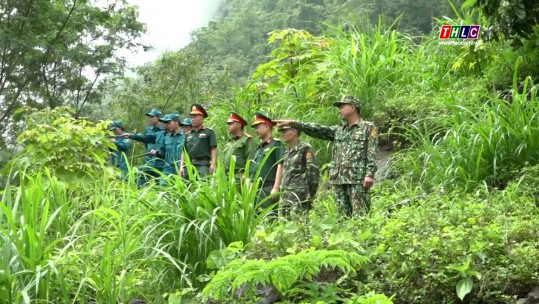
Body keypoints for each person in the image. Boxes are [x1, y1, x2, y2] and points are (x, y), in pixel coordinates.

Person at [274, 95, 378, 217]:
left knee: (361, 216)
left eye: (342, 106)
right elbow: (317, 129)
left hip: (357, 179)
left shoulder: (368, 127)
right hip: (338, 180)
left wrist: (369, 174)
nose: (339, 110)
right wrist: (295, 123)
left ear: (353, 107)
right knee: (342, 218)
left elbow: (371, 152)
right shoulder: (338, 130)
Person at [278, 125, 319, 215]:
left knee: (300, 226)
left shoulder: (304, 148)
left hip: (299, 198)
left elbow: (313, 173)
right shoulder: (286, 153)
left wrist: (310, 196)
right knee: (285, 227)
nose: (282, 134)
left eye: (284, 131)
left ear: (294, 132)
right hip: (285, 200)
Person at [249, 113, 284, 212]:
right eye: (254, 128)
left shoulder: (276, 144)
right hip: (256, 190)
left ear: (267, 126)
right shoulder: (259, 148)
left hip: (268, 188)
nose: (255, 130)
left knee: (268, 218)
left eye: (257, 127)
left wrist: (276, 188)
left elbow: (280, 165)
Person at [128, 109, 163, 186]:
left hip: (160, 160)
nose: (150, 119)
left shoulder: (163, 130)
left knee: (160, 182)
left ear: (157, 118)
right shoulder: (148, 130)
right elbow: (145, 140)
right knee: (141, 175)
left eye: (152, 116)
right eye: (149, 117)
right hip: (149, 159)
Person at [180, 104, 217, 178]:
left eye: (195, 117)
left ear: (202, 117)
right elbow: (184, 151)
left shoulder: (209, 132)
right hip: (189, 164)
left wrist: (213, 164)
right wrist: (181, 166)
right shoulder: (188, 134)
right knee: (186, 186)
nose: (192, 119)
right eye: (191, 117)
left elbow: (213, 149)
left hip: (202, 164)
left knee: (203, 185)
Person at [222, 112, 256, 178]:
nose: (228, 126)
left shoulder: (247, 140)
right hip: (226, 177)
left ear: (238, 125)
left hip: (239, 178)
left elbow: (250, 159)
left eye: (231, 123)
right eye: (228, 124)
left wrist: (246, 175)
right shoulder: (230, 142)